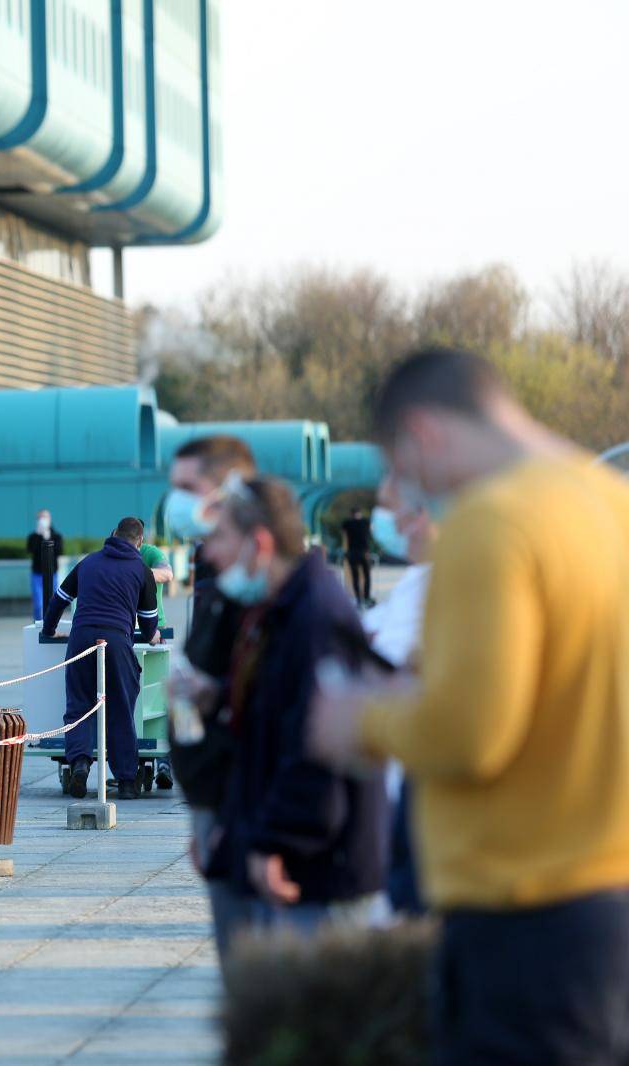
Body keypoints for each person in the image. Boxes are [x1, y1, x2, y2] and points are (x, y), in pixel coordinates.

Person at [308, 347, 629, 1063]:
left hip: (520, 922)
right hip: (606, 904)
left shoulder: (493, 524)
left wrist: (359, 718)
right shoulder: (611, 504)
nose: (408, 495)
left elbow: (471, 735)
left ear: (422, 433)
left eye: (405, 469)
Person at [196, 476, 388, 968]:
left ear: (260, 544)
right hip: (291, 860)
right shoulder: (278, 611)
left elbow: (318, 752)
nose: (210, 555)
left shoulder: (314, 619)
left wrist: (275, 842)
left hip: (314, 874)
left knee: (315, 1034)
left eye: (221, 540)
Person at [161, 436, 258, 857]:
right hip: (215, 804)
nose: (175, 501)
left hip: (254, 811)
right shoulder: (215, 582)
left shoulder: (279, 597)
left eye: (188, 487)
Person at [40, 516, 158, 800]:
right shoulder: (141, 570)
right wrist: (154, 636)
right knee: (120, 709)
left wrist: (49, 629)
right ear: (139, 542)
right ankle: (127, 781)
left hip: (81, 640)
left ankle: (79, 765)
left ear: (113, 533)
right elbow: (149, 624)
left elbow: (59, 599)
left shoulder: (88, 562)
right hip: (117, 641)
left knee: (79, 705)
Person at [361, 476, 437, 917]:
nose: (381, 521)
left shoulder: (450, 581)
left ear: (420, 513)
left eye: (386, 508)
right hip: (390, 800)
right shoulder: (414, 580)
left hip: (422, 801)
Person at [25, 509, 64, 622]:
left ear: (50, 519)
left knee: (53, 601)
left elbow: (59, 551)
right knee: (38, 604)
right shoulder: (33, 536)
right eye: (40, 518)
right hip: (37, 574)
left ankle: (53, 623)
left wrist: (47, 537)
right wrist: (39, 535)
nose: (43, 520)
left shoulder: (56, 536)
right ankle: (38, 623)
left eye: (45, 517)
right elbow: (31, 549)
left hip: (53, 574)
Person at [137, 536, 173, 640]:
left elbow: (167, 574)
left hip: (155, 623)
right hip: (124, 624)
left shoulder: (151, 552)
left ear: (139, 540)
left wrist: (136, 574)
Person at [340, 507, 374, 607]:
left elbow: (343, 535)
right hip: (364, 552)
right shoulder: (366, 522)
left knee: (355, 577)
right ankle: (367, 598)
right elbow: (371, 532)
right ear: (360, 513)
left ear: (351, 514)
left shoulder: (346, 523)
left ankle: (358, 599)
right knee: (367, 576)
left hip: (352, 553)